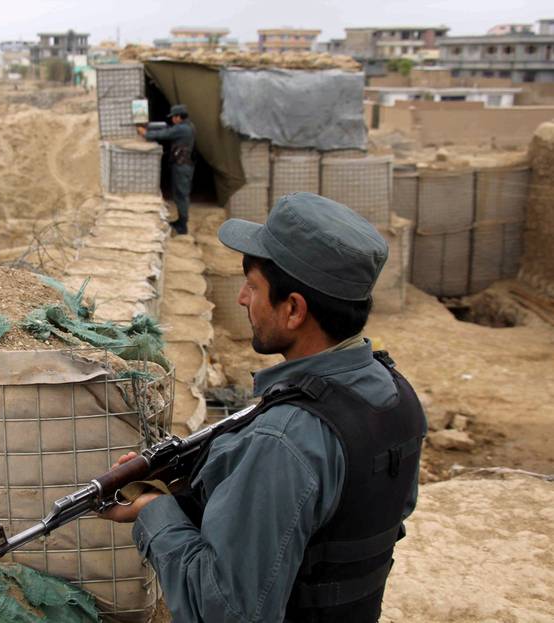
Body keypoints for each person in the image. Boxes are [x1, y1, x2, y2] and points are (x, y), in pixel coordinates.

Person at [103, 192, 427, 623]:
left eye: (252, 286)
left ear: (293, 309)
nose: (241, 299)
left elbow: (220, 612)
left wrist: (155, 512)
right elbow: (373, 514)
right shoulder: (396, 395)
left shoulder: (283, 440)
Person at [138, 104, 195, 235]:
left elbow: (165, 134)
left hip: (182, 166)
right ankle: (180, 222)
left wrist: (146, 133)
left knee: (181, 195)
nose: (172, 120)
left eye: (174, 117)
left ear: (179, 117)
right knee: (179, 194)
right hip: (182, 165)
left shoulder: (183, 129)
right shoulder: (187, 126)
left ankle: (182, 226)